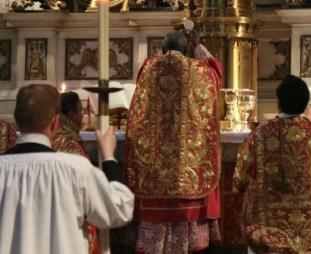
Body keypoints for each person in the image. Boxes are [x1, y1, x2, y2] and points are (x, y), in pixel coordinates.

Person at [0, 84, 134, 254]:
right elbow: (120, 209)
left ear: (16, 119)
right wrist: (108, 157)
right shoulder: (75, 169)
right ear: (55, 122)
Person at [124, 31, 222, 253]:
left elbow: (143, 71)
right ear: (186, 46)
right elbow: (217, 71)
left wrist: (163, 51)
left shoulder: (150, 67)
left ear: (162, 48)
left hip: (156, 156)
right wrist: (198, 46)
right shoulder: (199, 70)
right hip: (185, 159)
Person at [233, 75, 311, 254]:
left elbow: (241, 177)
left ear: (278, 102)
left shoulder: (260, 134)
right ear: (306, 103)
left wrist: (239, 186)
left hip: (270, 227)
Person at [52, 91, 99, 254]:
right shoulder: (71, 144)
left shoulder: (53, 135)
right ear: (72, 114)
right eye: (81, 111)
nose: (83, 116)